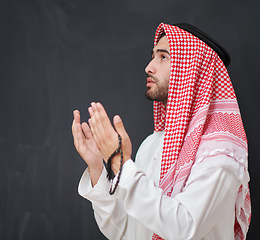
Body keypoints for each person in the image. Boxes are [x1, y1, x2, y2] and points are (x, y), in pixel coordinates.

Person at [71, 23, 251, 240]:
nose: (148, 67)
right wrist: (97, 168)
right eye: (153, 56)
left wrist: (120, 162)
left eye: (163, 57)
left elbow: (184, 229)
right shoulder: (152, 143)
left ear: (191, 69)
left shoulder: (220, 153)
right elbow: (126, 232)